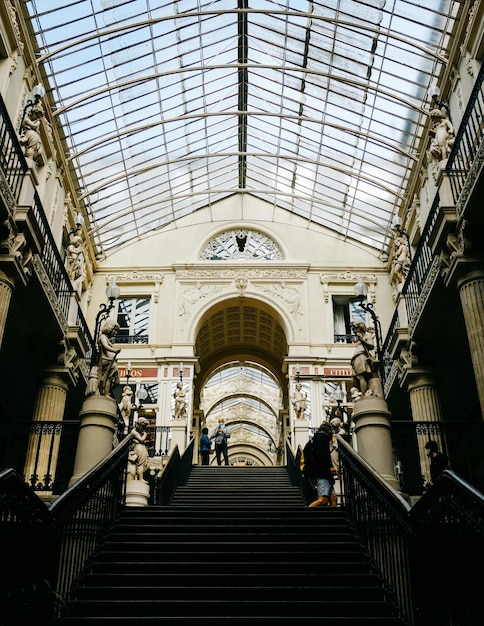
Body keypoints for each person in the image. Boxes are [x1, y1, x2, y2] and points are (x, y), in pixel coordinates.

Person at [303, 422, 337, 507]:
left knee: (333, 498)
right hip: (322, 474)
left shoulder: (315, 439)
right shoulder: (321, 438)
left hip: (324, 474)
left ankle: (334, 519)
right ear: (328, 430)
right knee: (323, 500)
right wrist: (330, 466)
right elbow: (323, 454)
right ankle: (305, 515)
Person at [97, 320, 121, 397]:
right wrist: (115, 350)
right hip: (107, 361)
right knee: (109, 378)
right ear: (110, 328)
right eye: (115, 330)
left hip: (110, 361)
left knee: (114, 380)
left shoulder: (107, 338)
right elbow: (105, 346)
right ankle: (106, 393)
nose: (116, 333)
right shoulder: (103, 337)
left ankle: (106, 392)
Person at [127, 417, 150, 481]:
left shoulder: (138, 432)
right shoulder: (134, 432)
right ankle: (140, 478)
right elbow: (142, 440)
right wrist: (145, 434)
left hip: (140, 447)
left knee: (143, 464)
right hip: (139, 447)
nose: (144, 428)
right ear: (139, 425)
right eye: (143, 426)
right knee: (140, 464)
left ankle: (139, 478)